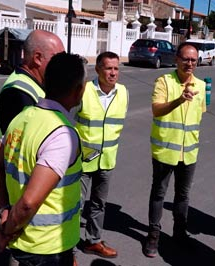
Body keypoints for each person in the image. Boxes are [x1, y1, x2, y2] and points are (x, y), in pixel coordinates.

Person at [0, 52, 87, 266]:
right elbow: (28, 203)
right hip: (48, 247)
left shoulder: (22, 118)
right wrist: (3, 233)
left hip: (27, 244)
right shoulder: (62, 134)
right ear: (79, 91)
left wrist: (5, 209)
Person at [143, 42, 206, 258]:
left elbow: (199, 116)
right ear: (177, 60)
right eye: (186, 59)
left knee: (183, 196)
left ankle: (179, 233)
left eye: (193, 60)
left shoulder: (201, 85)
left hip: (188, 152)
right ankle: (153, 235)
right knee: (159, 194)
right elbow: (156, 110)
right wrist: (179, 100)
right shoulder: (164, 81)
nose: (190, 63)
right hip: (165, 151)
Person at [74, 51, 128, 258]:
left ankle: (93, 241)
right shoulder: (84, 90)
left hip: (107, 159)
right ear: (98, 70)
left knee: (98, 204)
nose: (113, 73)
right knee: (75, 206)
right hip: (83, 160)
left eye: (116, 68)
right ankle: (67, 249)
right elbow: (70, 121)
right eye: (108, 68)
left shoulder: (123, 92)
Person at [0, 30, 65, 139]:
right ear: (37, 58)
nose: (62, 64)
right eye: (57, 58)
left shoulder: (39, 83)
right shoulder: (16, 94)